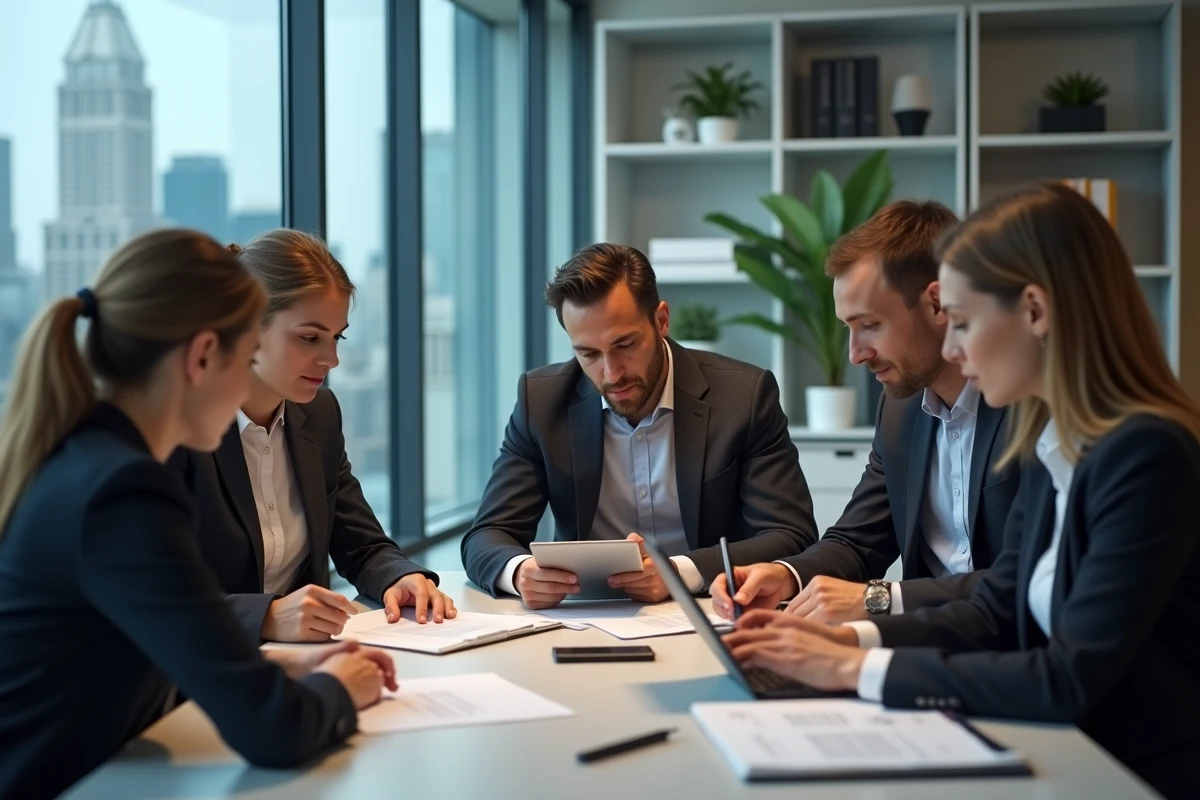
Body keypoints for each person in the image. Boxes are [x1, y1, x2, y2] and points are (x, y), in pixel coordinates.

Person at [722, 183, 1200, 800]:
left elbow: (1067, 679)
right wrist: (842, 640)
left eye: (966, 321)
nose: (952, 346)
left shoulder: (1144, 454)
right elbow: (995, 609)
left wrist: (855, 664)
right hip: (1049, 743)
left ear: (1034, 311)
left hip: (1129, 769)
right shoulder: (1055, 441)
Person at [0, 229, 397, 800]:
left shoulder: (90, 458)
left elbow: (151, 643)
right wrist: (340, 688)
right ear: (203, 356)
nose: (246, 389)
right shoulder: (123, 492)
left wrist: (277, 673)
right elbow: (273, 732)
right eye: (243, 361)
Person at [461, 243, 818, 609]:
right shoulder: (542, 401)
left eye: (625, 344)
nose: (611, 373)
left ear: (661, 320)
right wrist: (520, 572)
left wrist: (678, 572)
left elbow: (792, 534)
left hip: (711, 612)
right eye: (589, 354)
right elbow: (487, 535)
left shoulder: (743, 396)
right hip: (586, 618)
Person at [711, 201, 1020, 624]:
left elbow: (1025, 579)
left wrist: (882, 598)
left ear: (938, 305)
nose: (855, 355)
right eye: (848, 329)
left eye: (870, 325)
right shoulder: (901, 408)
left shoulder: (1027, 406)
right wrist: (785, 576)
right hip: (927, 645)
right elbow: (859, 541)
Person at [170, 229, 454, 642]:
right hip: (193, 679)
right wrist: (265, 617)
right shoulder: (177, 430)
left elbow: (361, 543)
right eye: (309, 337)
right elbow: (154, 597)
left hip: (301, 662)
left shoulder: (318, 414)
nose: (332, 359)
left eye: (336, 337)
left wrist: (400, 576)